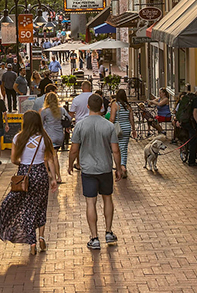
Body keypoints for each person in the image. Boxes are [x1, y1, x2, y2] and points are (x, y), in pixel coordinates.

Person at [0, 110, 57, 255]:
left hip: (24, 174)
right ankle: (42, 236)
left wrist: (23, 164)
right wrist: (54, 178)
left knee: (27, 209)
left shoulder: (18, 137)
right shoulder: (44, 138)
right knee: (41, 206)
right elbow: (50, 159)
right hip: (41, 175)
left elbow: (13, 160)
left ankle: (32, 242)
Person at [68, 94, 122, 250]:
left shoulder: (80, 126)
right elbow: (115, 150)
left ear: (87, 107)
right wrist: (118, 168)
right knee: (107, 199)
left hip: (88, 169)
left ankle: (94, 237)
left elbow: (74, 149)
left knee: (90, 202)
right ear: (102, 108)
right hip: (105, 167)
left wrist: (71, 164)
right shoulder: (108, 126)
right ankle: (109, 232)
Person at [41, 92, 70, 183]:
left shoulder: (45, 111)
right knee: (52, 155)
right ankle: (54, 175)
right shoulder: (61, 110)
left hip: (49, 136)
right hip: (59, 136)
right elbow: (69, 118)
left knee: (51, 157)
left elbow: (40, 123)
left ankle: (55, 176)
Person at [177, 85, 197, 167]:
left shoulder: (188, 96)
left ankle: (187, 151)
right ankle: (191, 160)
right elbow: (195, 113)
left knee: (189, 137)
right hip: (190, 122)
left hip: (184, 120)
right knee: (193, 140)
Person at [109, 89, 135, 179]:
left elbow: (112, 118)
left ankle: (119, 167)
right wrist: (134, 130)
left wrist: (108, 126)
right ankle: (123, 165)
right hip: (126, 128)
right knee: (124, 148)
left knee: (117, 149)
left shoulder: (115, 105)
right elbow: (131, 119)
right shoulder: (128, 106)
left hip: (117, 129)